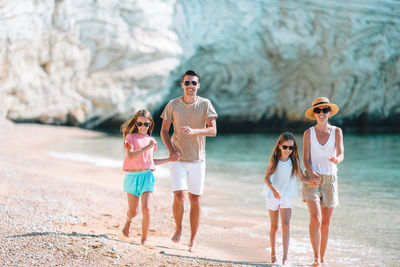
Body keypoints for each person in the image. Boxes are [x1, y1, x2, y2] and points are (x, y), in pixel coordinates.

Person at [160, 70, 218, 252]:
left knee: (195, 199)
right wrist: (171, 151)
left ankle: (192, 239)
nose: (190, 86)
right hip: (177, 158)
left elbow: (213, 131)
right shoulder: (172, 105)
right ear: (182, 85)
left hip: (198, 159)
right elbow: (164, 131)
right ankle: (178, 228)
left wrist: (195, 131)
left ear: (198, 86)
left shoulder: (205, 104)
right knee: (179, 196)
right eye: (187, 83)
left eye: (194, 83)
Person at [120, 109, 173, 245]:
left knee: (147, 209)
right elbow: (130, 155)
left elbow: (150, 161)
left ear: (150, 125)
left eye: (146, 124)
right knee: (133, 212)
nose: (143, 126)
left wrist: (169, 159)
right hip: (132, 177)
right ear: (136, 123)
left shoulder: (152, 140)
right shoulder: (130, 137)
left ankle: (144, 239)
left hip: (147, 177)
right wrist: (147, 147)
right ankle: (128, 221)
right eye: (140, 123)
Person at [263, 132, 317, 265]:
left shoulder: (294, 160)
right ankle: (273, 253)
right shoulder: (274, 159)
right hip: (272, 195)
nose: (288, 150)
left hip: (286, 196)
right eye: (286, 147)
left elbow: (302, 178)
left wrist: (312, 181)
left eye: (291, 148)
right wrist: (273, 189)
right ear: (280, 146)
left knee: (286, 226)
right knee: (274, 227)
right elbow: (266, 178)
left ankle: (285, 258)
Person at [302, 97, 344, 266]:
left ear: (329, 112)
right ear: (314, 113)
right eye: (318, 110)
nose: (321, 113)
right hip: (312, 179)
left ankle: (323, 257)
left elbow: (341, 154)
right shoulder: (308, 133)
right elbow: (305, 159)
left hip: (331, 180)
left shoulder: (337, 132)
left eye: (325, 110)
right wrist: (311, 173)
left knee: (326, 223)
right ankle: (315, 257)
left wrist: (336, 159)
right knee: (316, 219)